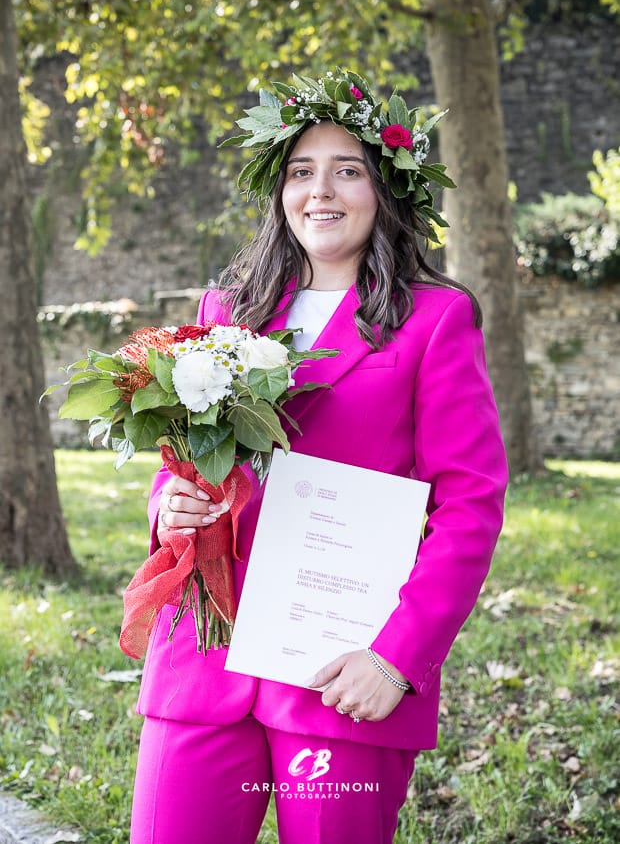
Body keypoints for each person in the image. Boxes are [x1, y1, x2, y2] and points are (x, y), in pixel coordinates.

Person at [129, 69, 509, 844]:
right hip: (205, 654)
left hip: (340, 666)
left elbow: (470, 507)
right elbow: (184, 463)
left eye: (347, 171)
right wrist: (169, 505)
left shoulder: (436, 321)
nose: (320, 191)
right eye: (302, 171)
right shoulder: (224, 313)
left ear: (386, 189)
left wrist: (396, 660)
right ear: (280, 191)